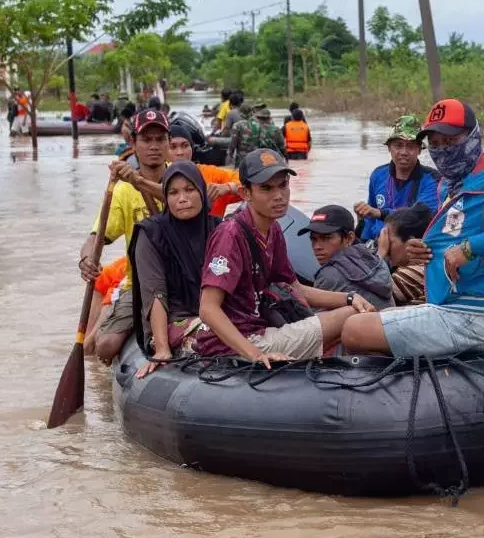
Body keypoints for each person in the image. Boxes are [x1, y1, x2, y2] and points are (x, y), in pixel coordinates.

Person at [340, 99, 484, 358]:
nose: (442, 151)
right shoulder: (450, 185)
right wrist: (427, 251)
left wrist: (470, 248)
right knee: (366, 317)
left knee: (354, 329)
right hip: (453, 304)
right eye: (436, 144)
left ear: (472, 138)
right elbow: (456, 235)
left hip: (483, 312)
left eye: (451, 142)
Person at [195, 149, 376, 364]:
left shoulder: (274, 231)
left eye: (283, 185)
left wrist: (349, 297)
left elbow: (297, 289)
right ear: (245, 194)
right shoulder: (230, 234)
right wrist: (256, 355)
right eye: (266, 188)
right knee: (351, 318)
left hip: (259, 329)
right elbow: (207, 309)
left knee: (353, 309)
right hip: (240, 343)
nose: (279, 195)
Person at [78, 108, 170, 364]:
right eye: (146, 140)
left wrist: (140, 183)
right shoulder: (121, 190)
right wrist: (86, 259)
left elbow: (177, 202)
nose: (154, 146)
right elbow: (96, 237)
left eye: (159, 140)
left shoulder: (181, 178)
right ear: (134, 144)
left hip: (181, 278)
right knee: (104, 346)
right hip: (139, 283)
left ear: (168, 143)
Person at [129, 161, 220, 377]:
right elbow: (155, 294)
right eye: (173, 192)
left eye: (190, 190)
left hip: (216, 314)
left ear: (202, 192)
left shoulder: (220, 228)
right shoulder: (151, 234)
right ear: (166, 199)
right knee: (213, 334)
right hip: (176, 319)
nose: (182, 198)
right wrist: (161, 348)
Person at [355, 115, 440, 241]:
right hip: (376, 246)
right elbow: (370, 220)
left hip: (410, 248)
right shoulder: (378, 175)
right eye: (398, 145)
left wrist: (380, 213)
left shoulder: (434, 180)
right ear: (389, 147)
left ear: (419, 150)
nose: (404, 152)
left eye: (410, 146)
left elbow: (418, 216)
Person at [299, 205, 394, 310]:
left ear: (349, 238)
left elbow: (317, 322)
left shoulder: (329, 275)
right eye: (314, 239)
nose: (317, 247)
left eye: (326, 238)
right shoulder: (375, 259)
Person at [167, 124, 242, 218]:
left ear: (192, 149)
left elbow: (250, 183)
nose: (180, 152)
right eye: (173, 147)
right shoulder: (158, 178)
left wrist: (228, 187)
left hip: (213, 231)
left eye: (185, 145)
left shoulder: (210, 174)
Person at [376, 203, 433, 306]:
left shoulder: (413, 273)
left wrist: (380, 253)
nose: (385, 245)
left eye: (390, 241)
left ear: (412, 242)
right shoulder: (425, 266)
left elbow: (366, 298)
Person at [84, 256, 128, 356]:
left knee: (114, 292)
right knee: (101, 277)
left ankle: (91, 341)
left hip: (148, 263)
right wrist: (87, 260)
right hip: (132, 259)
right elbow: (92, 241)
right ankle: (86, 340)